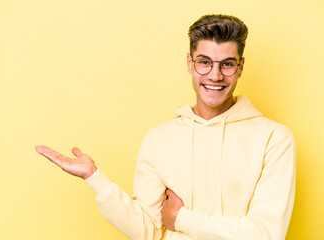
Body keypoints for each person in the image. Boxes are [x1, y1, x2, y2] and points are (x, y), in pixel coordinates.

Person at [35, 14, 296, 240]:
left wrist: (181, 219)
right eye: (204, 62)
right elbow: (147, 231)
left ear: (240, 67)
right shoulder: (159, 139)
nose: (215, 75)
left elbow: (266, 234)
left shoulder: (274, 139)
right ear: (189, 63)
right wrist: (95, 178)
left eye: (226, 64)